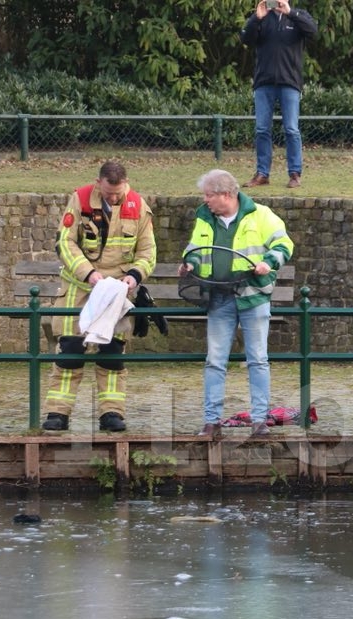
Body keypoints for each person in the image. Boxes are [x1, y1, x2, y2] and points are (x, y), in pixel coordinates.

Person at [42, 161, 155, 433]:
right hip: (79, 288)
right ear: (98, 182)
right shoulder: (79, 199)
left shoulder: (138, 206)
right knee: (70, 351)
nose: (113, 198)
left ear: (126, 183)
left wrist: (134, 277)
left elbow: (148, 251)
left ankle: (112, 413)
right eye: (107, 193)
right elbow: (65, 242)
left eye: (118, 193)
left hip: (117, 291)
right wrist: (88, 273)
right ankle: (58, 412)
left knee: (113, 353)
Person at [180, 169, 294, 440]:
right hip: (219, 297)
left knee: (257, 359)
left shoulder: (261, 214)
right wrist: (189, 262)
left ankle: (259, 422)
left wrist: (269, 262)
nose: (205, 200)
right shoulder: (205, 218)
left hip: (252, 296)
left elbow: (284, 244)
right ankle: (211, 422)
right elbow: (194, 248)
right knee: (215, 360)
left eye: (209, 195)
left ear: (227, 195)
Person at [241, 0, 318, 190]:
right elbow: (246, 39)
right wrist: (255, 19)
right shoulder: (261, 17)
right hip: (264, 83)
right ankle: (262, 174)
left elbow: (313, 32)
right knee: (261, 130)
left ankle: (294, 174)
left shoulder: (298, 15)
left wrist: (290, 12)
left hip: (290, 82)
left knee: (291, 129)